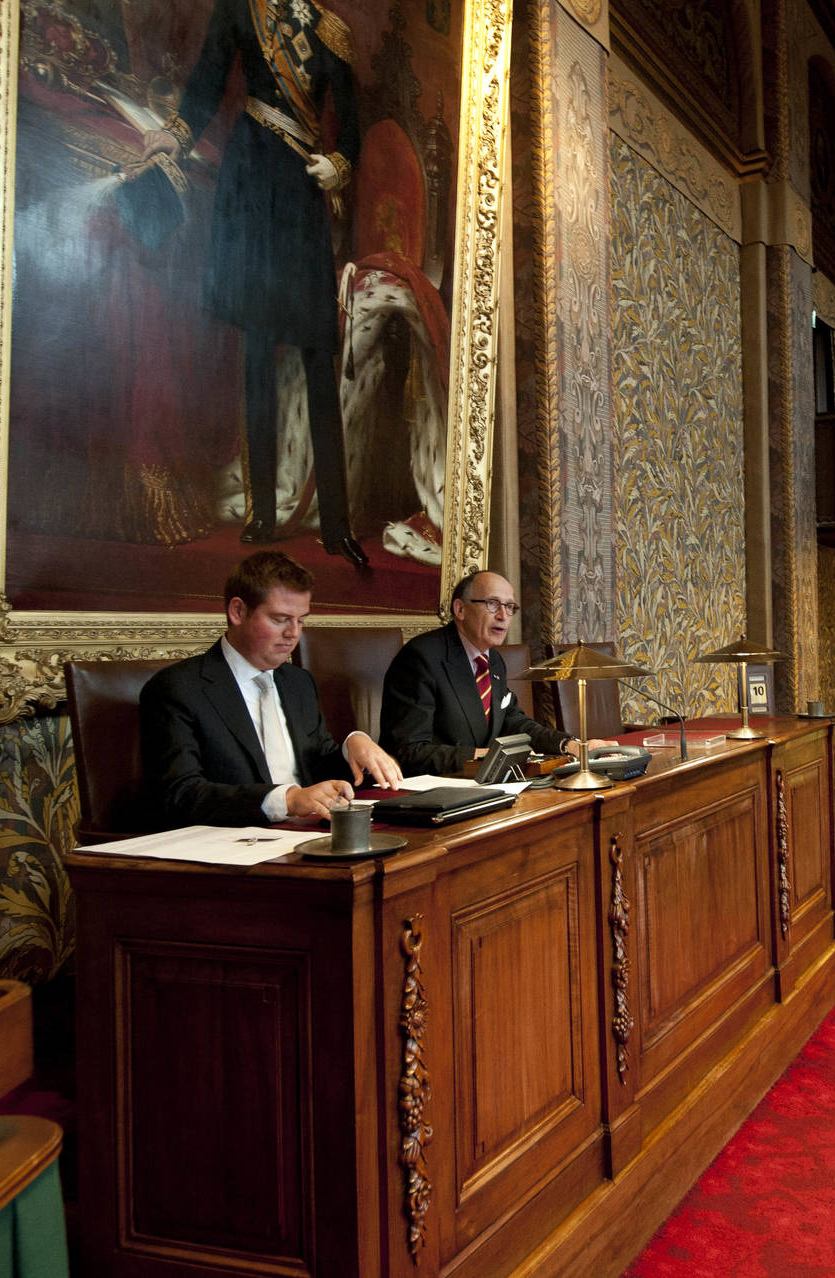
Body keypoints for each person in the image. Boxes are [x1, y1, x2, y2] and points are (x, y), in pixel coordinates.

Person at [141, 0, 367, 565]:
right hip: (250, 183)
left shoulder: (329, 29)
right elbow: (207, 81)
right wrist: (177, 135)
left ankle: (337, 521)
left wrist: (338, 163)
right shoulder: (242, 8)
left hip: (301, 193)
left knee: (318, 352)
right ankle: (262, 512)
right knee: (258, 352)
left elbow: (353, 126)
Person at [140, 552, 403, 826]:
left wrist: (352, 746)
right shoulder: (177, 689)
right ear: (238, 611)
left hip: (310, 837)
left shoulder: (298, 682)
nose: (293, 634)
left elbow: (318, 766)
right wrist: (286, 800)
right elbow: (180, 794)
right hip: (235, 848)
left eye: (301, 620)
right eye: (280, 619)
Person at [381, 570, 614, 775]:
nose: (503, 615)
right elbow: (408, 751)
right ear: (460, 609)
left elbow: (514, 721)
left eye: (510, 607)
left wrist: (569, 745)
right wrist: (486, 756)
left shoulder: (493, 660)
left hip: (484, 782)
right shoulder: (421, 658)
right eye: (492, 604)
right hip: (435, 791)